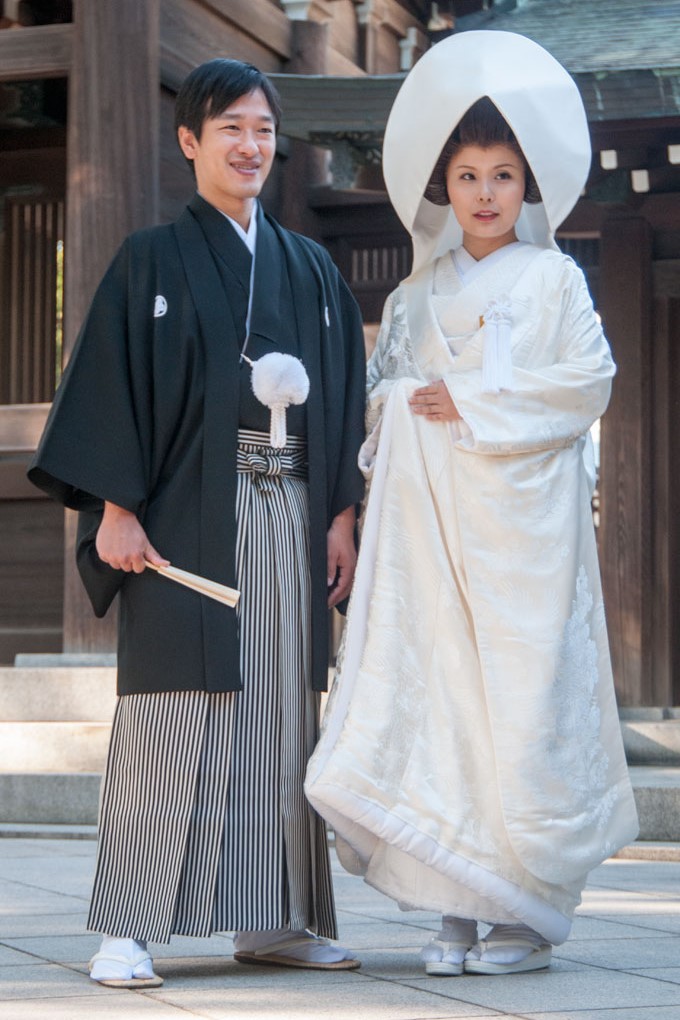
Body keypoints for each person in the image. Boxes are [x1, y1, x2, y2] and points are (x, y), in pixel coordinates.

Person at [305, 30, 639, 978]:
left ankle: (522, 916)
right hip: (431, 535)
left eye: (501, 175)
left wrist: (475, 404)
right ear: (442, 189)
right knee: (439, 702)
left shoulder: (554, 280)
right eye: (465, 176)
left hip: (524, 542)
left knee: (519, 712)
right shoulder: (412, 295)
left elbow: (589, 384)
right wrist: (410, 414)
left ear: (525, 185)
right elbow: (378, 399)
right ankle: (450, 899)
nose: (484, 194)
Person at [29, 58, 366, 986]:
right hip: (181, 520)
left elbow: (343, 399)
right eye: (231, 129)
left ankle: (277, 918)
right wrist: (115, 507)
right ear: (190, 142)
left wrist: (340, 515)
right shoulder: (151, 258)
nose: (251, 145)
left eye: (263, 129)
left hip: (290, 515)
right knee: (170, 713)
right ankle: (128, 926)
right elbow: (110, 384)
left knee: (279, 719)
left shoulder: (309, 269)